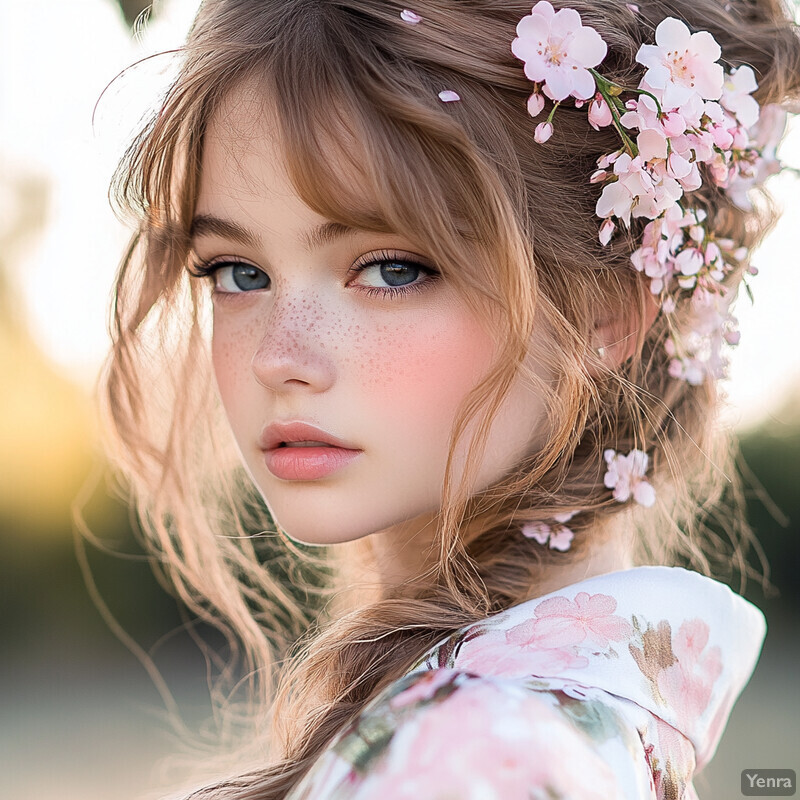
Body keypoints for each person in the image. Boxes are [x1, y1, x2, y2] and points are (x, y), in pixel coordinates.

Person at [101, 0, 800, 797]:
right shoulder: (572, 720)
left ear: (605, 310)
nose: (278, 358)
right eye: (236, 272)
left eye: (393, 269)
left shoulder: (470, 757)